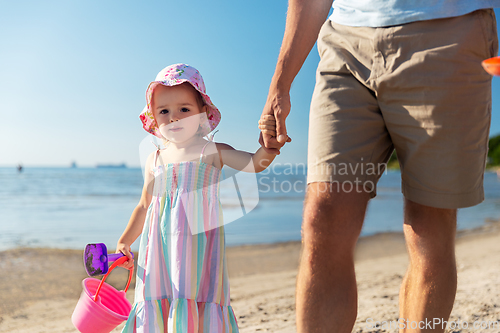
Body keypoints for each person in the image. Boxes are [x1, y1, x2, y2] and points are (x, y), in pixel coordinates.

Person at [258, 1, 499, 332]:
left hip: (448, 34)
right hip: (345, 41)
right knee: (323, 217)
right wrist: (280, 82)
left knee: (429, 229)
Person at [116, 63, 282, 332]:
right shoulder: (154, 160)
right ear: (154, 119)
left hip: (197, 250)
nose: (175, 118)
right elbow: (144, 205)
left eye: (184, 109)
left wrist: (268, 146)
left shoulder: (211, 151)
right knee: (157, 296)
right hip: (157, 250)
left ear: (202, 113)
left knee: (194, 296)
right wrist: (125, 241)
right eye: (164, 111)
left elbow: (254, 163)